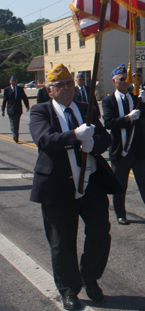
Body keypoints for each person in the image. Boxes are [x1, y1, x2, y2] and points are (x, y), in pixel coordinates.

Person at [29, 64, 122, 310]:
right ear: (50, 91)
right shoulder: (41, 111)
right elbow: (44, 140)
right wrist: (75, 135)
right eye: (59, 85)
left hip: (91, 185)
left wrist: (95, 145)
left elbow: (105, 137)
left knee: (100, 235)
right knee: (62, 243)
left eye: (69, 83)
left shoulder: (86, 108)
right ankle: (69, 290)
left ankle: (90, 278)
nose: (66, 88)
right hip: (58, 188)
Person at [102, 63, 145, 226]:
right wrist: (127, 118)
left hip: (139, 149)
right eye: (121, 79)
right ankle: (121, 214)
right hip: (121, 150)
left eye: (127, 79)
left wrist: (144, 102)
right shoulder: (109, 101)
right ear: (113, 81)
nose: (125, 82)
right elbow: (108, 123)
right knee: (120, 185)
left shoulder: (135, 98)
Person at [2, 76, 30, 143]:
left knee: (16, 123)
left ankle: (15, 136)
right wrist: (2, 110)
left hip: (18, 109)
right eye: (12, 81)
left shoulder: (20, 89)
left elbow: (24, 98)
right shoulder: (7, 89)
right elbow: (4, 100)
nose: (13, 82)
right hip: (10, 109)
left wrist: (27, 106)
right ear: (10, 82)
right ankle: (14, 132)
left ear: (16, 82)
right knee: (12, 123)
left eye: (15, 81)